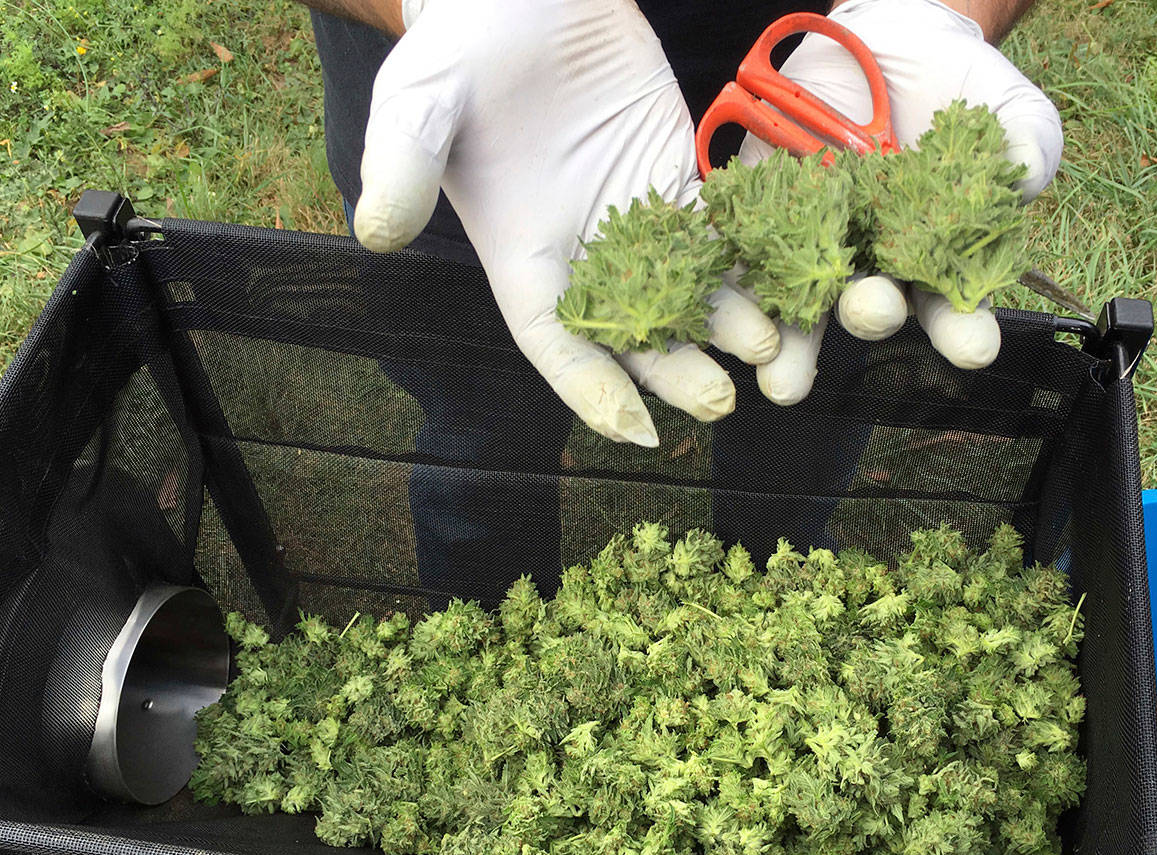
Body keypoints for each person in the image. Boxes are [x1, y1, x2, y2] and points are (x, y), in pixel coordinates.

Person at [301, 0, 1063, 590]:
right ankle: (483, 621)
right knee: (482, 437)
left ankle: (781, 586)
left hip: (817, 66)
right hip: (495, 122)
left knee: (801, 420)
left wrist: (937, 10)